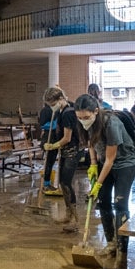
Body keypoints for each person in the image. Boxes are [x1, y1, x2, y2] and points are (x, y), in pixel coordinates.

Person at [75, 93, 135, 269]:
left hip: (125, 163)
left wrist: (98, 184)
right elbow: (91, 143)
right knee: (103, 202)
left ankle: (122, 250)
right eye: (79, 118)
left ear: (96, 111)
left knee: (120, 203)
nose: (83, 121)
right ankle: (111, 243)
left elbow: (111, 159)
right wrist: (93, 164)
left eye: (86, 117)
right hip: (104, 162)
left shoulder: (112, 123)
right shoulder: (86, 123)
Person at [43, 87, 83, 232]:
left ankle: (75, 219)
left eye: (52, 104)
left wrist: (53, 146)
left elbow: (67, 138)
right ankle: (69, 214)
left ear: (60, 99)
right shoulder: (64, 110)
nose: (51, 107)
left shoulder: (67, 113)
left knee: (66, 183)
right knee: (62, 182)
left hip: (72, 150)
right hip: (68, 151)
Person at [38, 102, 60, 194]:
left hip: (55, 137)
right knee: (48, 162)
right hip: (48, 137)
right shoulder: (45, 110)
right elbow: (42, 124)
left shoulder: (57, 110)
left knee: (51, 162)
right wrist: (53, 124)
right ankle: (46, 184)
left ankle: (48, 183)